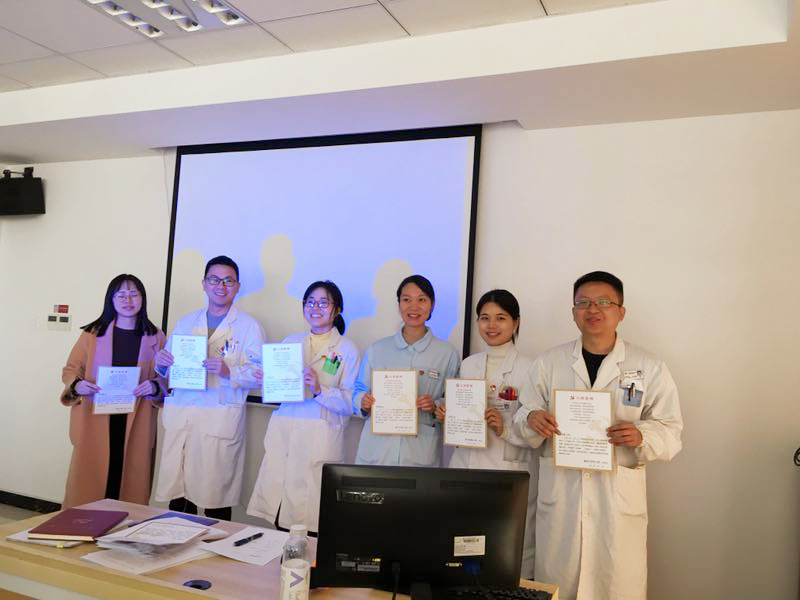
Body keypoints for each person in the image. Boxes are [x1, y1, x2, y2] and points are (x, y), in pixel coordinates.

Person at [514, 271, 683, 600]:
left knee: (615, 586)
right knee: (559, 586)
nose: (593, 309)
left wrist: (641, 436)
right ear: (573, 312)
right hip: (561, 504)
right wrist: (532, 418)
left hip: (617, 507)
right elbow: (522, 413)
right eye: (583, 303)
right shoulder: (549, 363)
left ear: (621, 311)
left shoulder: (649, 366)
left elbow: (672, 432)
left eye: (604, 302)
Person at [436, 289, 538, 578]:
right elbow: (461, 409)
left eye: (500, 318)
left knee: (504, 550)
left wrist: (504, 427)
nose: (491, 325)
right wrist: (447, 413)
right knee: (463, 544)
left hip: (506, 469)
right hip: (465, 465)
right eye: (484, 318)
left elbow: (536, 430)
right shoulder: (469, 363)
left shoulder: (531, 368)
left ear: (516, 322)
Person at [154, 256, 264, 521]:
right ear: (204, 284)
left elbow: (261, 374)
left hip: (218, 420)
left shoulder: (249, 326)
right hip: (183, 415)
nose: (221, 286)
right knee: (179, 497)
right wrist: (160, 363)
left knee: (216, 499)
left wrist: (230, 371)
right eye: (214, 279)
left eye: (228, 281)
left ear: (237, 286)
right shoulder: (186, 321)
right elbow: (168, 367)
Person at [247, 281, 360, 533]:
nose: (315, 307)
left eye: (323, 302)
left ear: (337, 309)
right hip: (286, 433)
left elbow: (351, 402)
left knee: (311, 519)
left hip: (320, 438)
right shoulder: (290, 342)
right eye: (310, 302)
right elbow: (279, 389)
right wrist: (267, 379)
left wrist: (320, 389)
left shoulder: (347, 349)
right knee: (281, 514)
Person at [60, 274, 165, 508]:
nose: (128, 300)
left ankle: (126, 525)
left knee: (130, 481)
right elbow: (71, 369)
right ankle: (84, 524)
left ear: (142, 299)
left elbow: (165, 376)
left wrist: (155, 386)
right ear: (111, 299)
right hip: (96, 416)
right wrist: (77, 385)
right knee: (89, 483)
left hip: (136, 418)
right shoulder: (92, 333)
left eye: (134, 294)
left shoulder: (155, 336)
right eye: (121, 295)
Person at [354, 274, 460, 466]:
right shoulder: (377, 349)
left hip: (420, 454)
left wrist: (435, 405)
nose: (414, 307)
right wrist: (363, 401)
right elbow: (358, 390)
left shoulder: (447, 353)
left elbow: (454, 401)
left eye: (421, 300)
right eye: (406, 300)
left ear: (432, 305)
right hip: (376, 452)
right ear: (399, 304)